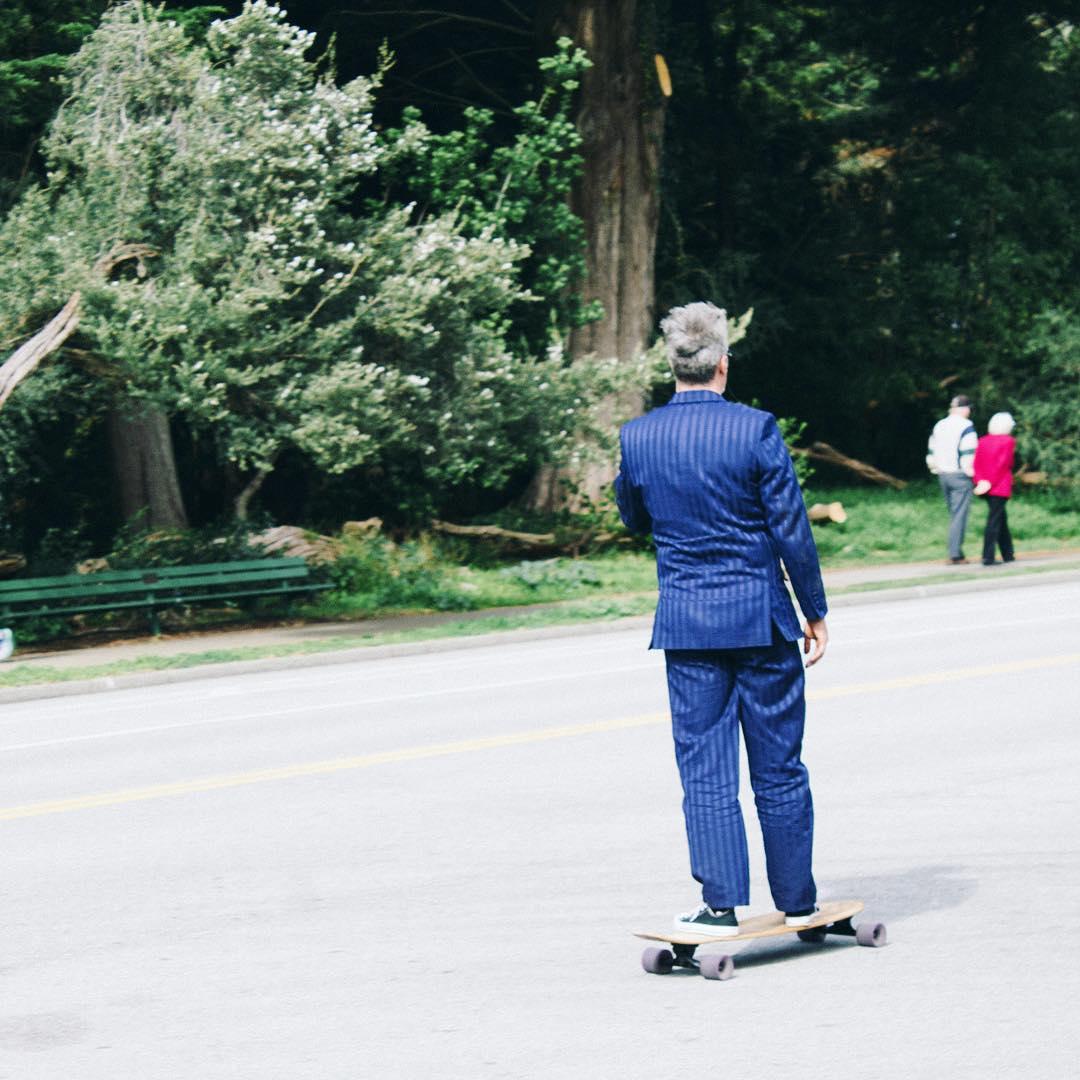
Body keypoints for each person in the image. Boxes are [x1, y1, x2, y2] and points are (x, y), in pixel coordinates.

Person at [614, 301, 828, 937]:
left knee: (704, 766)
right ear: (723, 365)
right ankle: (797, 901)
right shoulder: (757, 430)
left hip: (687, 625)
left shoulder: (638, 437)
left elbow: (633, 517)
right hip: (761, 621)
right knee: (779, 765)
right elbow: (791, 528)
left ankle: (719, 905)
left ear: (671, 365)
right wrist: (813, 610)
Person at [926, 395, 978, 564]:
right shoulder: (966, 426)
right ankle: (955, 553)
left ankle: (956, 551)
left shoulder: (940, 425)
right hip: (959, 474)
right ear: (965, 409)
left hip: (942, 474)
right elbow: (968, 452)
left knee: (953, 513)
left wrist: (935, 468)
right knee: (959, 515)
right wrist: (971, 473)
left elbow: (931, 450)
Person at [973, 412, 1017, 567]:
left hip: (985, 485)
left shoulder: (982, 441)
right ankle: (988, 556)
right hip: (999, 486)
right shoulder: (1008, 441)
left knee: (1000, 519)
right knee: (994, 521)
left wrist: (980, 482)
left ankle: (1008, 553)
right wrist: (991, 482)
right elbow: (1004, 463)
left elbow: (976, 463)